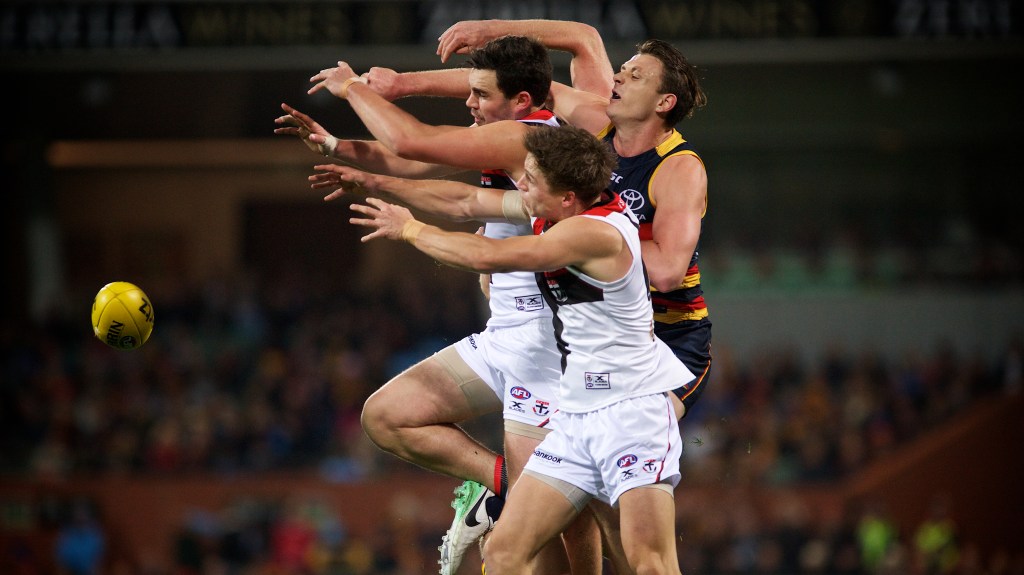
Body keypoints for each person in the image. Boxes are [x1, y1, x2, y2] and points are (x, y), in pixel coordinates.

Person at [277, 30, 611, 574]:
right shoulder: (521, 138)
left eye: (480, 94)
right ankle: (499, 486)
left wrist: (354, 90)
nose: (469, 102)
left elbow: (416, 149)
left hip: (547, 352)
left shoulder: (531, 141)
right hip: (506, 335)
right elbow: (422, 169)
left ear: (523, 102)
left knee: (550, 534)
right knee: (388, 416)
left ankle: (515, 493)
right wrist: (342, 151)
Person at [322, 123, 691, 575]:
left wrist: (411, 231)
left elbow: (489, 257)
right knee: (503, 554)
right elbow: (467, 200)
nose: (521, 186)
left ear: (569, 198)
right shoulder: (556, 208)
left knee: (648, 563)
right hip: (576, 417)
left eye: (532, 181)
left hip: (631, 415)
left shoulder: (595, 234)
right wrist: (374, 180)